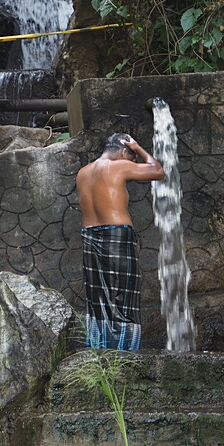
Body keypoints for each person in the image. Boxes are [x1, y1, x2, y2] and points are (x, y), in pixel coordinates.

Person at [76, 132, 165, 350]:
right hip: (116, 234)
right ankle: (125, 351)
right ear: (124, 151)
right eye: (131, 157)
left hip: (89, 234)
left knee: (99, 296)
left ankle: (99, 348)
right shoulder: (117, 166)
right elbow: (157, 170)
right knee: (124, 294)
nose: (133, 162)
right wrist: (138, 147)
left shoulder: (83, 172)